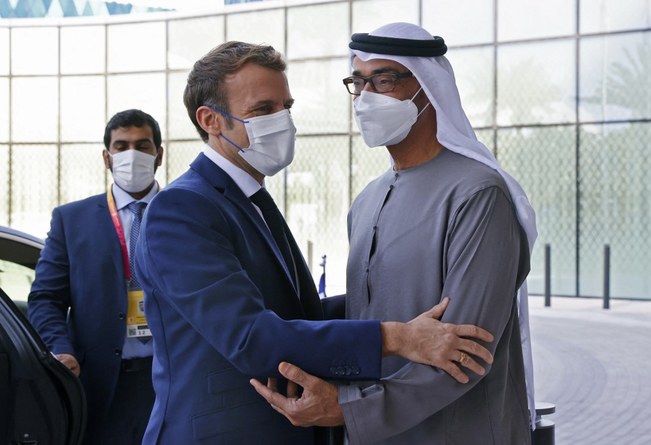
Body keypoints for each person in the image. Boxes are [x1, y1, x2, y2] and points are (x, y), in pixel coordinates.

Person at [133, 41, 496, 445]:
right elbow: (252, 339)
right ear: (211, 120)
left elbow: (295, 313)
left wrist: (394, 306)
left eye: (285, 107)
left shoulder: (251, 200)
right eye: (263, 110)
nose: (283, 121)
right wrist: (399, 337)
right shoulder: (181, 209)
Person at [251, 22, 538, 445]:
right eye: (358, 83)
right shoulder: (367, 200)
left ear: (428, 87)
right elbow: (371, 312)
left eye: (383, 80)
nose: (366, 98)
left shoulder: (478, 194)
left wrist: (347, 408)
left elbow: (466, 351)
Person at [28, 109, 164, 444]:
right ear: (107, 157)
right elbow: (46, 298)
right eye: (121, 146)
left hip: (172, 380)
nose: (131, 154)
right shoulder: (72, 220)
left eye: (142, 145)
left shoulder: (187, 212)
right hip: (101, 385)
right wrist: (61, 349)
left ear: (158, 154)